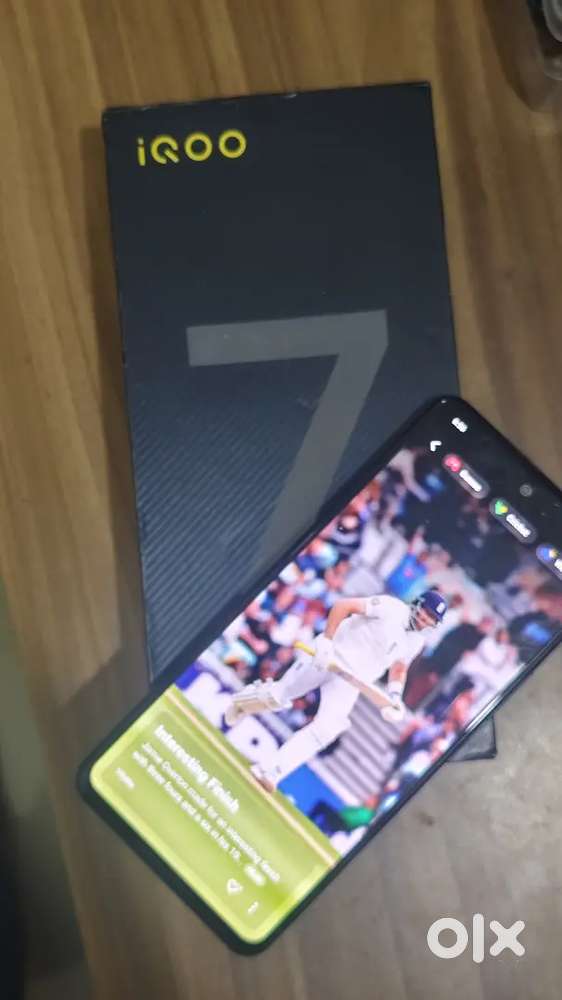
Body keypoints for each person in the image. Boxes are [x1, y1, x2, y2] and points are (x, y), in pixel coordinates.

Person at [224, 589, 448, 793]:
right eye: (426, 612)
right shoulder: (392, 607)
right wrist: (326, 641)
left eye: (432, 618)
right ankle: (243, 702)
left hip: (350, 679)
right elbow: (344, 605)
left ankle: (271, 770)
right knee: (277, 697)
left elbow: (399, 667)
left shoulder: (416, 641)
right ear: (417, 604)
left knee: (327, 728)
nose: (426, 619)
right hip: (328, 656)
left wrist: (395, 695)